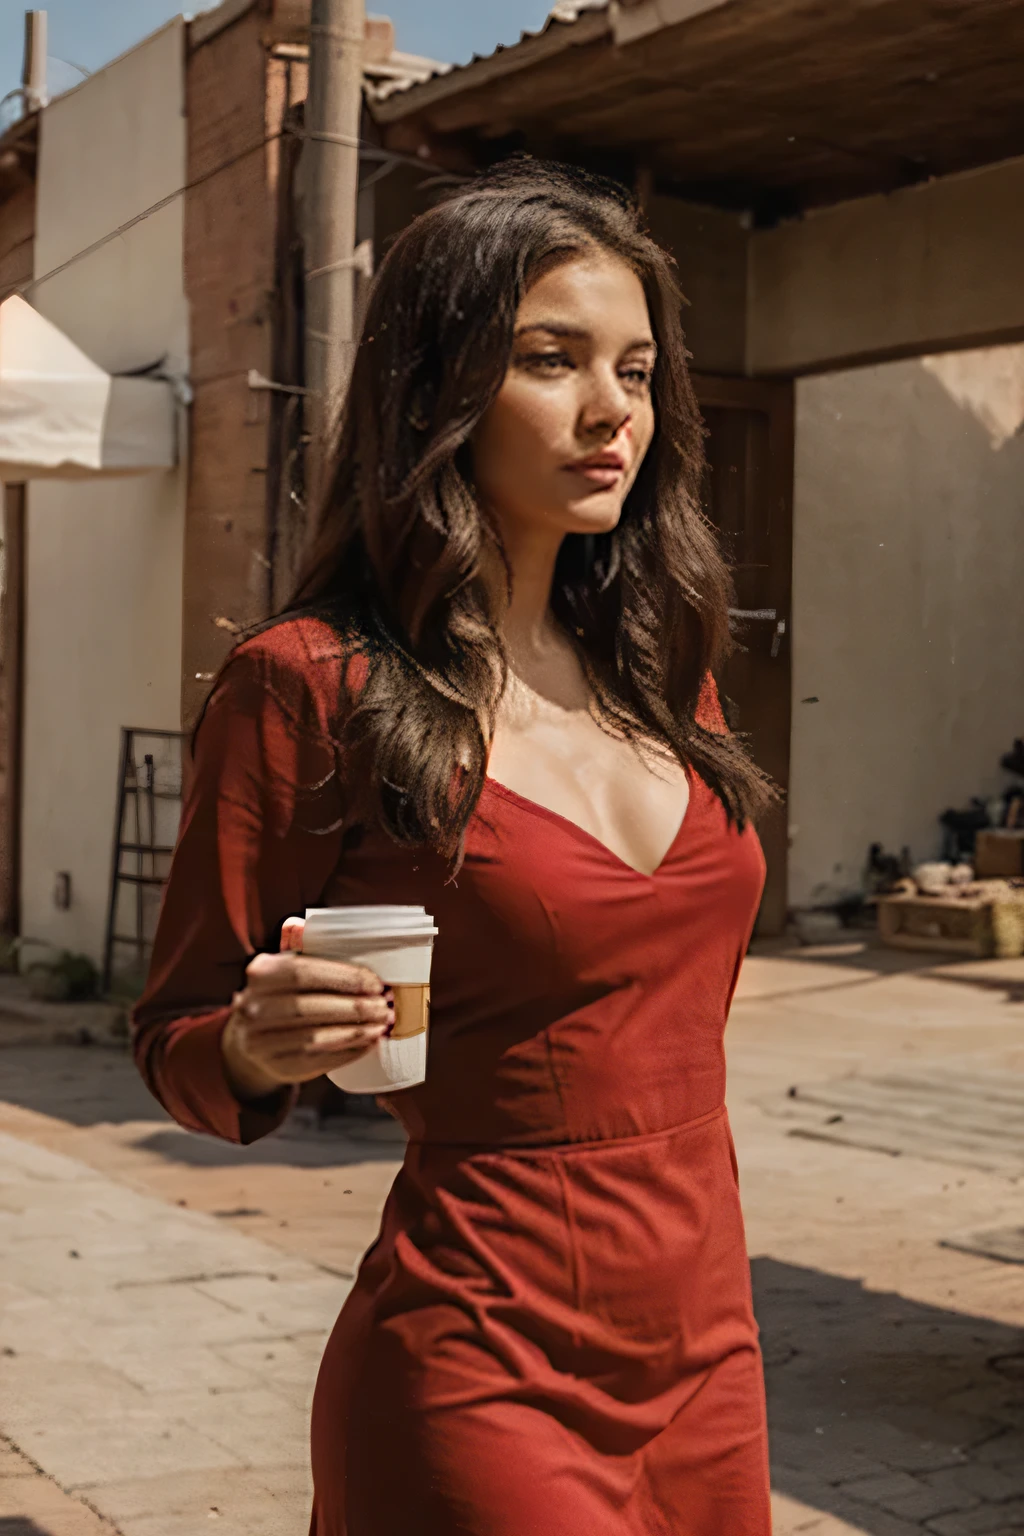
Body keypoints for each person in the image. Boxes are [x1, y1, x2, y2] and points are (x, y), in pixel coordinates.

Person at [134, 158, 774, 1536]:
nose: (615, 412)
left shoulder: (669, 671)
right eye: (554, 361)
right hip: (482, 1358)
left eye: (639, 371)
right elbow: (177, 1037)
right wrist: (253, 1045)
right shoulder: (308, 686)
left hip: (710, 1348)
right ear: (440, 390)